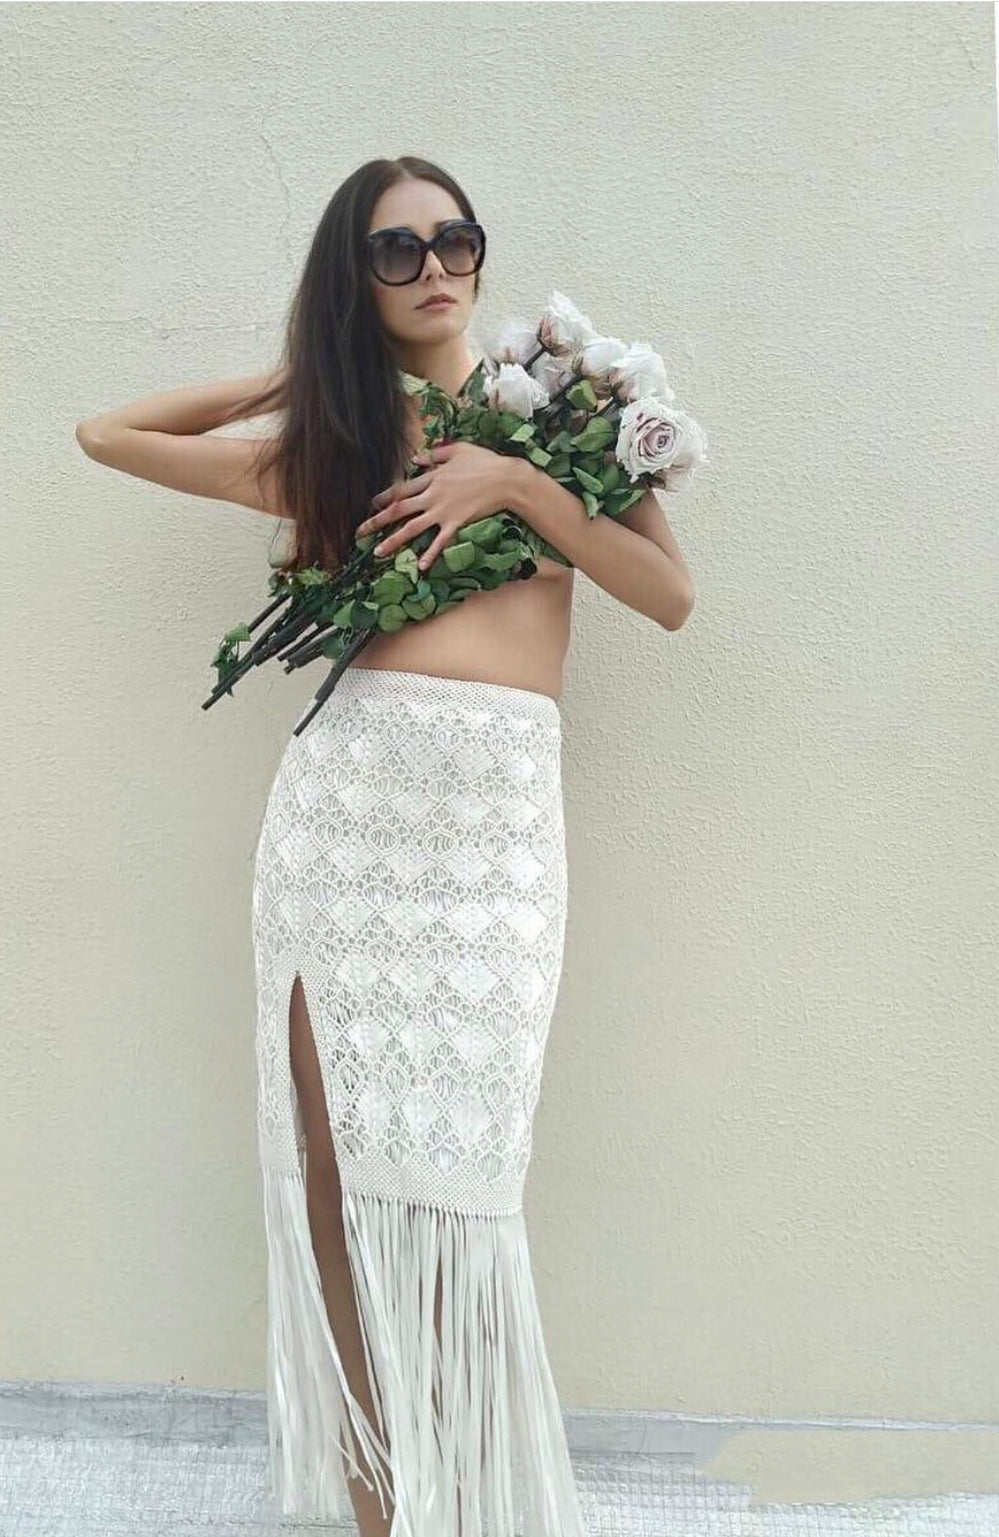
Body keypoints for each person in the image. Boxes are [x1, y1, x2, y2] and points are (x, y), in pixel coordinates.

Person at [76, 155, 695, 1537]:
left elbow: (666, 594)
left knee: (462, 1187)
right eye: (393, 251)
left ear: (479, 251)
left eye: (452, 240)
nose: (432, 270)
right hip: (346, 823)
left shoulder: (572, 415)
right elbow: (106, 435)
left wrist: (517, 488)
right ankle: (378, 1509)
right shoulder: (342, 446)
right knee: (332, 1172)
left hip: (495, 837)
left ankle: (471, 1505)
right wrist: (294, 374)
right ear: (354, 281)